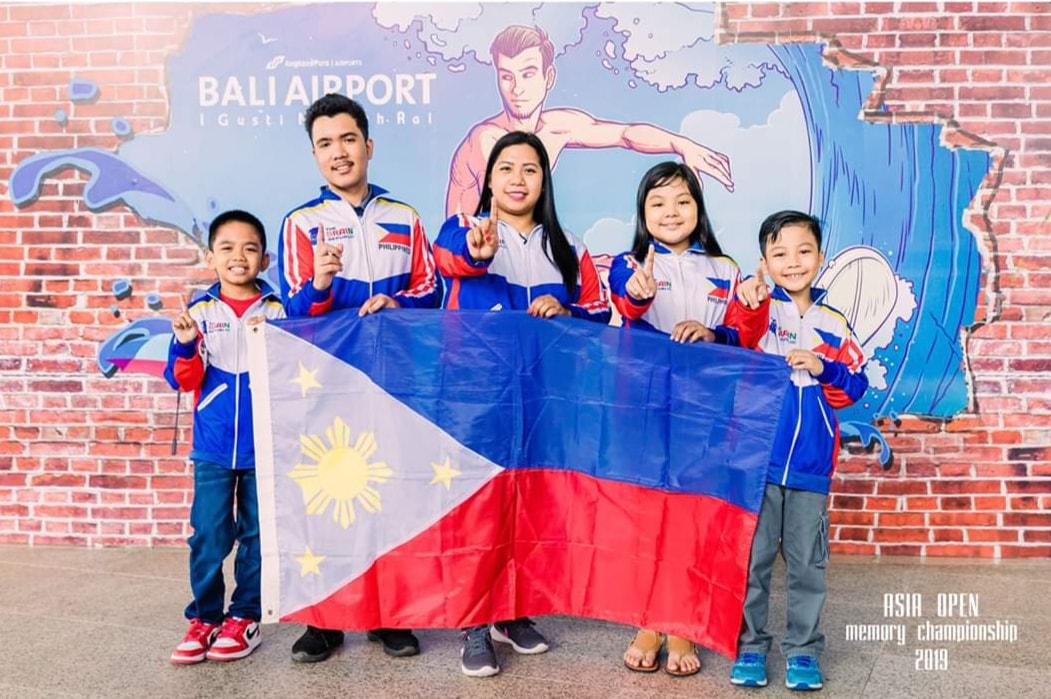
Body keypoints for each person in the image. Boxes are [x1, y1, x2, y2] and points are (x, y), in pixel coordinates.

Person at [433, 130, 610, 676]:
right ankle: (475, 622)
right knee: (480, 507)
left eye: (530, 169)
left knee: (530, 504)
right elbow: (448, 260)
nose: (517, 179)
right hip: (478, 394)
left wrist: (567, 312)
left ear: (544, 181)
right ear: (489, 179)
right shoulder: (463, 228)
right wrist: (477, 253)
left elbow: (598, 310)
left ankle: (513, 613)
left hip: (544, 395)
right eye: (506, 168)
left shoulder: (568, 245)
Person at [277, 93, 440, 662]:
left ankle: (388, 615)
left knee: (390, 493)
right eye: (325, 144)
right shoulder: (301, 223)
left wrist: (398, 304)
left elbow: (432, 290)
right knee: (330, 494)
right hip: (329, 384)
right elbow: (293, 312)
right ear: (314, 156)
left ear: (368, 145)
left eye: (348, 139)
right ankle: (324, 621)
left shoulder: (405, 217)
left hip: (394, 380)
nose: (339, 152)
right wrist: (321, 285)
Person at [606, 161, 766, 677]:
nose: (671, 212)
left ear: (699, 209)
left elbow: (744, 336)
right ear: (643, 212)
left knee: (691, 515)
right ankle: (647, 622)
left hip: (705, 410)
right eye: (658, 202)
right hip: (645, 408)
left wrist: (722, 328)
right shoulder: (628, 263)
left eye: (682, 201)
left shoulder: (725, 268)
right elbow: (627, 304)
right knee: (647, 516)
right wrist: (640, 289)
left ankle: (681, 625)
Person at [728, 210, 868, 691]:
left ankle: (804, 650)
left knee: (808, 564)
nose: (792, 262)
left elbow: (854, 388)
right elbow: (738, 339)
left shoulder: (835, 324)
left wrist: (824, 367)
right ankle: (750, 646)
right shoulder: (758, 308)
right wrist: (749, 304)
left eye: (803, 251)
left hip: (811, 467)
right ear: (765, 261)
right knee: (754, 562)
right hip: (758, 465)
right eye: (779, 253)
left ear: (820, 257)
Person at [445, 24, 734, 216]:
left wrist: (681, 145)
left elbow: (626, 135)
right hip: (468, 262)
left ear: (548, 78)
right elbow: (508, 220)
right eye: (506, 76)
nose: (517, 88)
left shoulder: (557, 127)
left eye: (528, 74)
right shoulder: (488, 140)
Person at [164, 210, 285, 664]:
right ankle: (205, 617)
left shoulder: (277, 311)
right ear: (210, 257)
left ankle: (244, 617)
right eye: (227, 248)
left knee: (256, 535)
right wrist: (184, 343)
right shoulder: (198, 313)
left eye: (250, 248)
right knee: (209, 534)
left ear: (264, 259)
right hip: (213, 447)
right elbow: (183, 379)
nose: (239, 256)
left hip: (264, 445)